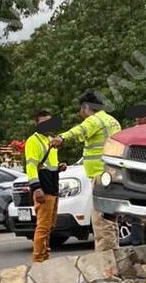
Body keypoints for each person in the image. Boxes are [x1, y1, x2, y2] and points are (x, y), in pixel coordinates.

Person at [50, 91, 121, 251]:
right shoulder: (112, 121)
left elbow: (79, 130)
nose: (80, 113)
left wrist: (62, 137)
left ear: (86, 107)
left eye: (80, 109)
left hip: (100, 176)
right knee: (110, 221)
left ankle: (106, 264)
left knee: (100, 222)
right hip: (111, 176)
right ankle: (116, 258)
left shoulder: (94, 120)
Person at [25, 110, 62, 262]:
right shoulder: (33, 141)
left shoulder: (51, 140)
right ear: (36, 124)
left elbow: (48, 165)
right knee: (43, 227)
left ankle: (44, 255)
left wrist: (59, 166)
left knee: (49, 226)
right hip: (43, 189)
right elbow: (31, 166)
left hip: (53, 188)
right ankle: (39, 260)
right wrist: (36, 188)